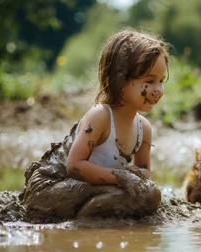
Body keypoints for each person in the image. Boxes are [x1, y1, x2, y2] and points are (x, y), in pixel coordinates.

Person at [20, 29, 169, 222]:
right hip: (51, 187)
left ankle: (98, 214)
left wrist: (135, 175)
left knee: (151, 195)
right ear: (120, 80)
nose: (158, 90)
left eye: (161, 81)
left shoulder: (144, 128)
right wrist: (122, 177)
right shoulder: (101, 116)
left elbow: (144, 170)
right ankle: (87, 223)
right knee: (125, 195)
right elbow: (74, 166)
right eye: (149, 81)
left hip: (92, 190)